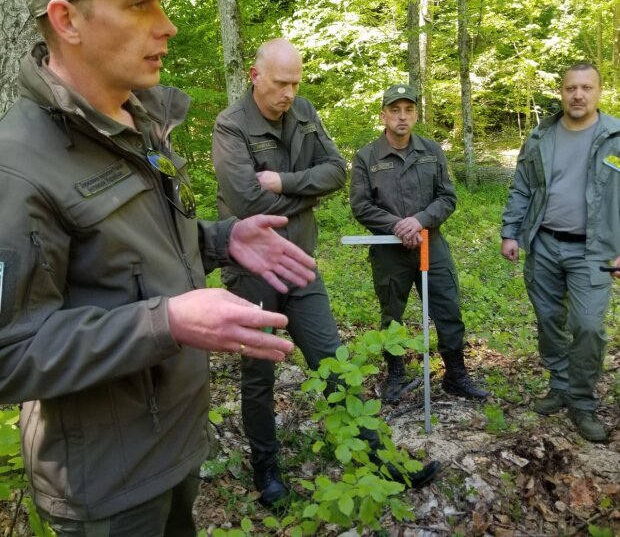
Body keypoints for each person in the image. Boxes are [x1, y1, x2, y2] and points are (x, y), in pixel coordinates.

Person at [0, 0, 321, 535]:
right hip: (107, 488)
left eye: (163, 4)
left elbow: (125, 253)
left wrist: (220, 238)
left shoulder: (135, 123)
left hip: (172, 446)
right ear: (66, 20)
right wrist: (167, 322)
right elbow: (8, 351)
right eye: (138, 5)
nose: (166, 25)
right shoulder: (17, 167)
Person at [212, 43, 440, 507]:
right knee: (258, 375)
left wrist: (287, 183)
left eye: (296, 83)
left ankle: (379, 460)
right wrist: (308, 194)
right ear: (256, 75)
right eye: (281, 83)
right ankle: (267, 471)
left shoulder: (304, 112)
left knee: (335, 361)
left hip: (301, 263)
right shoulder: (230, 125)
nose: (289, 93)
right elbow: (246, 203)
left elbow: (336, 171)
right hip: (253, 273)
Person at [501, 62, 620, 443]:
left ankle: (582, 403)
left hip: (595, 250)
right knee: (549, 320)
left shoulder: (615, 137)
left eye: (586, 87)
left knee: (587, 326)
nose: (578, 95)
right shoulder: (541, 136)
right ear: (562, 92)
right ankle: (560, 384)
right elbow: (522, 187)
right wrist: (511, 232)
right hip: (545, 243)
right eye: (571, 88)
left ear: (599, 91)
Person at [350, 84, 490, 403]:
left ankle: (455, 374)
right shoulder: (366, 157)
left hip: (431, 244)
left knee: (447, 309)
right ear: (383, 115)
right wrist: (397, 226)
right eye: (395, 110)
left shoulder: (431, 150)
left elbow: (447, 197)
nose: (402, 116)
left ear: (416, 113)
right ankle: (396, 374)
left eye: (409, 110)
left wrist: (420, 220)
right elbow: (361, 206)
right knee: (392, 314)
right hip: (389, 250)